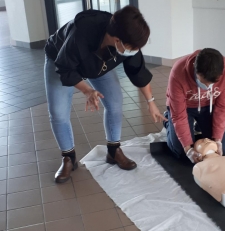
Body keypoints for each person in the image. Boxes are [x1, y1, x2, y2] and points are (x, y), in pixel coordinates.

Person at [44, 6, 166, 183]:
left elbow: (138, 71)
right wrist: (87, 90)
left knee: (115, 102)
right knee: (58, 112)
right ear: (117, 40)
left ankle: (113, 151)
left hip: (97, 63)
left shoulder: (127, 39)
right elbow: (65, 68)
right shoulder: (82, 33)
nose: (134, 50)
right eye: (132, 47)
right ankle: (68, 158)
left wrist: (151, 101)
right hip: (61, 60)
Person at [163, 48, 225, 164]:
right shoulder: (178, 72)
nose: (207, 87)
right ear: (195, 70)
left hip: (208, 106)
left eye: (211, 84)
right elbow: (179, 115)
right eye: (203, 82)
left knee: (223, 148)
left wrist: (218, 140)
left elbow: (223, 107)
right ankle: (168, 120)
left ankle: (198, 126)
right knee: (180, 152)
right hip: (184, 108)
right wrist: (188, 149)